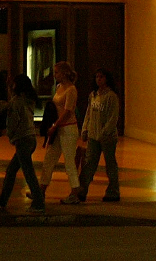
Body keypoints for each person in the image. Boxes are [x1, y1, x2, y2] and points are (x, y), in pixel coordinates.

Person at [0, 74, 45, 212]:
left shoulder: (16, 101)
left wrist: (10, 136)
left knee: (27, 172)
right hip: (31, 137)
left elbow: (13, 121)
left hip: (22, 139)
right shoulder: (29, 100)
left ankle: (38, 202)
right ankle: (2, 201)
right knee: (12, 170)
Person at [38, 61, 82, 204]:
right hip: (58, 128)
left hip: (68, 128)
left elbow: (68, 111)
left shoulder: (71, 90)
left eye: (57, 72)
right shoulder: (59, 87)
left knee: (69, 161)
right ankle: (41, 190)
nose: (55, 74)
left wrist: (55, 125)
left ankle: (75, 191)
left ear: (64, 73)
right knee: (49, 158)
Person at [78, 68, 121, 203]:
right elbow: (88, 113)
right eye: (97, 77)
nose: (98, 80)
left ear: (106, 79)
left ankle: (113, 192)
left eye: (101, 77)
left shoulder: (111, 96)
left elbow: (113, 118)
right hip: (93, 136)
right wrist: (85, 129)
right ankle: (82, 190)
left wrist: (105, 132)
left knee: (110, 164)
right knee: (89, 163)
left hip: (107, 137)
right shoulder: (93, 95)